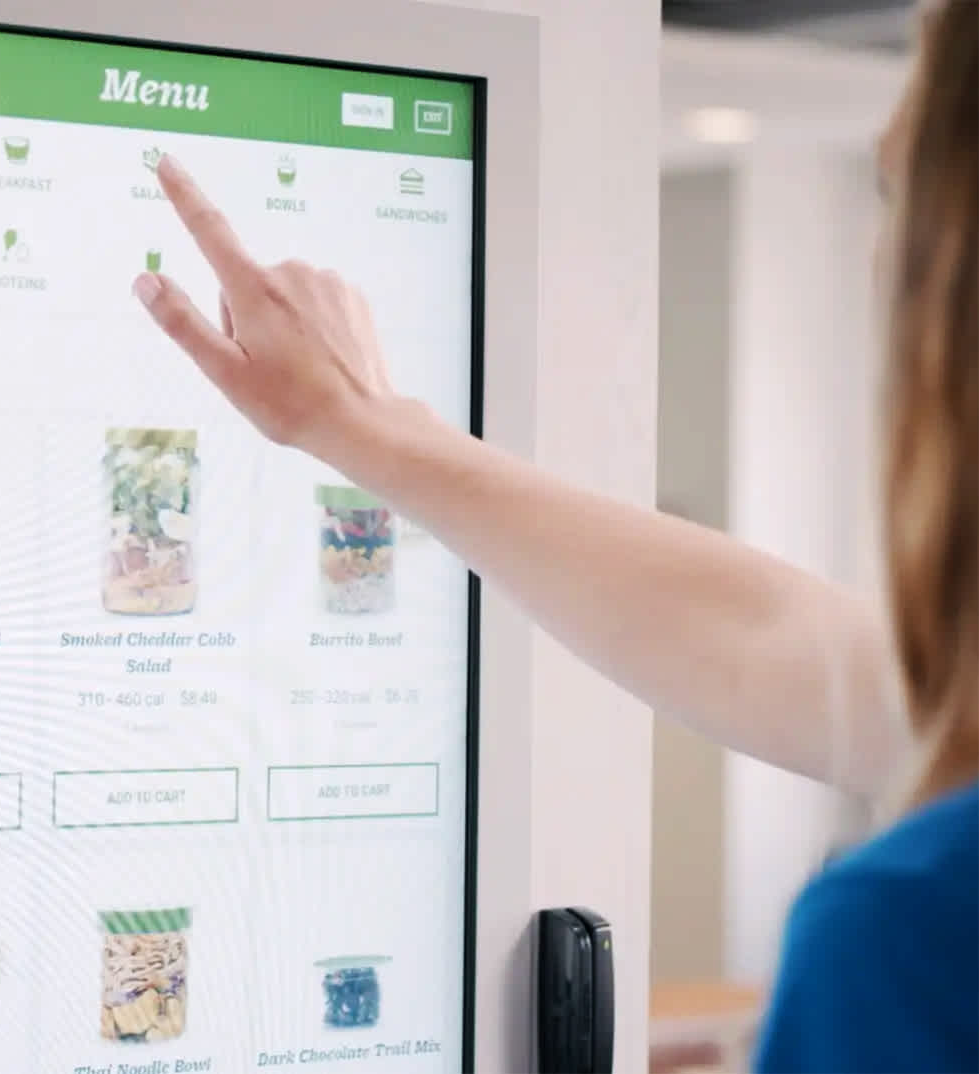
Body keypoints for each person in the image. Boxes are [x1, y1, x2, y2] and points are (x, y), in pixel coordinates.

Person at [129, 0, 977, 1069]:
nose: (871, 258)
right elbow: (783, 641)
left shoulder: (912, 936)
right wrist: (366, 430)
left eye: (896, 191)